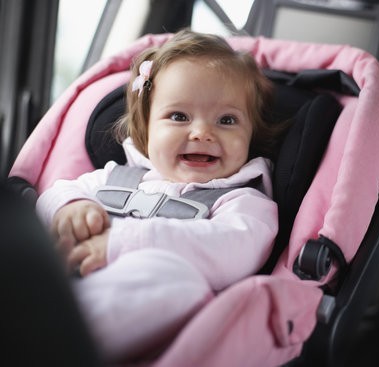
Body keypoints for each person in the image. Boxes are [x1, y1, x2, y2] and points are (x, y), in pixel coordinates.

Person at [36, 29, 280, 362]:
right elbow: (54, 193)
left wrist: (119, 242)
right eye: (179, 117)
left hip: (155, 304)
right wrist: (71, 206)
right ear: (146, 128)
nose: (202, 132)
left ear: (251, 134)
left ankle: (57, 342)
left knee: (176, 279)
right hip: (67, 282)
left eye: (227, 120)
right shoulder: (116, 176)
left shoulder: (244, 201)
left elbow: (234, 250)